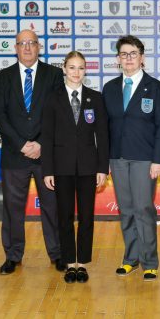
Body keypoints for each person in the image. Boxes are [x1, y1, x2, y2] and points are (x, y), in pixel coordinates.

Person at [0, 29, 65, 275]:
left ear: (38, 47)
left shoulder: (54, 75)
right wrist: (22, 144)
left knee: (52, 207)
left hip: (47, 155)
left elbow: (59, 112)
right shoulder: (3, 77)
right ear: (15, 48)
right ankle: (12, 255)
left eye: (31, 43)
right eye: (22, 43)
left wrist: (41, 143)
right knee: (12, 209)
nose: (26, 47)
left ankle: (58, 253)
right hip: (15, 154)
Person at [102, 35, 160, 281]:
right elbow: (104, 128)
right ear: (118, 59)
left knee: (143, 209)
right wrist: (104, 162)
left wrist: (158, 160)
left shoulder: (156, 87)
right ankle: (131, 259)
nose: (128, 58)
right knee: (126, 210)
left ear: (142, 57)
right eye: (123, 54)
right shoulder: (109, 88)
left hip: (144, 159)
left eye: (133, 54)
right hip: (117, 158)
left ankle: (150, 261)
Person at [42, 51, 109, 284]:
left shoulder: (95, 98)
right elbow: (47, 136)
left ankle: (83, 264)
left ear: (85, 70)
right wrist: (47, 170)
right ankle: (70, 263)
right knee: (65, 217)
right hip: (61, 168)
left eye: (81, 68)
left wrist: (102, 168)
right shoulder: (53, 98)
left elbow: (103, 136)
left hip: (89, 168)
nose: (76, 72)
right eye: (72, 67)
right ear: (64, 69)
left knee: (87, 217)